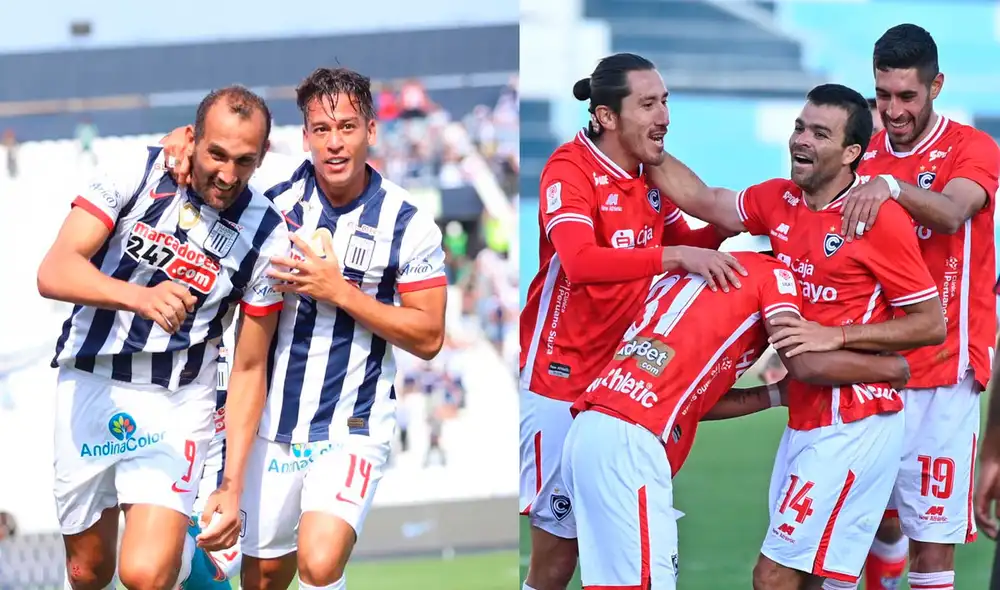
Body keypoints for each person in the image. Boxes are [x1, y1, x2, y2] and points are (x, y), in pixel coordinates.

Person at [644, 83, 947, 589]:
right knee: (813, 580)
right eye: (800, 127)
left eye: (819, 133)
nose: (801, 140)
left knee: (774, 576)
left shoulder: (876, 219)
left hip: (855, 419)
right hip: (806, 414)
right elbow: (705, 200)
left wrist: (837, 334)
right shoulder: (780, 199)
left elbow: (929, 323)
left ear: (853, 152)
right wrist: (643, 145)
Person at [162, 66, 448, 590]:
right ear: (305, 136)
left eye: (346, 127)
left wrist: (339, 290)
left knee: (319, 563)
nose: (334, 143)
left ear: (371, 130)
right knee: (265, 578)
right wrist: (176, 146)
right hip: (270, 426)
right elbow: (208, 171)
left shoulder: (409, 223)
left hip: (351, 425)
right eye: (322, 129)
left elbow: (428, 337)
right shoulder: (272, 206)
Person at [36, 86, 288, 590]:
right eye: (216, 154)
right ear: (191, 139)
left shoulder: (267, 235)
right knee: (88, 571)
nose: (227, 173)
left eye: (244, 161)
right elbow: (53, 271)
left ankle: (182, 555)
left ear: (261, 159)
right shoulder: (137, 171)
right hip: (91, 383)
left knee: (145, 575)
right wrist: (139, 298)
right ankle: (184, 559)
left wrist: (232, 484)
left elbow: (249, 367)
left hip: (178, 400)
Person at [518, 52, 747, 590]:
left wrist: (728, 227)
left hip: (619, 386)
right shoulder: (568, 170)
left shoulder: (648, 177)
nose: (663, 114)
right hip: (559, 379)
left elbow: (685, 244)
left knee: (616, 543)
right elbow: (582, 262)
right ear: (606, 117)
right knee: (556, 561)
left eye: (665, 100)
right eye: (648, 103)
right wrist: (678, 257)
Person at [564, 250, 912, 589]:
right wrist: (890, 368)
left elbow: (690, 398)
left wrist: (774, 395)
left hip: (591, 427)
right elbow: (805, 364)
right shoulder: (776, 275)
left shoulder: (682, 278)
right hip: (630, 442)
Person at [843, 24, 1000, 590]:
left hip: (944, 376)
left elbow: (954, 212)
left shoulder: (971, 148)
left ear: (936, 85)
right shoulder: (858, 146)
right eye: (883, 95)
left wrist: (889, 186)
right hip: (870, 367)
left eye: (907, 96)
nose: (892, 110)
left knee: (931, 551)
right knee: (854, 532)